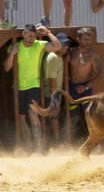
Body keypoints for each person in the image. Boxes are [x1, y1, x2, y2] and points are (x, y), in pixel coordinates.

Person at [3, 24, 61, 152]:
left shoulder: (38, 44)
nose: (31, 38)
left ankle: (39, 147)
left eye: (34, 36)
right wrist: (12, 53)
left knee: (33, 114)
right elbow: (7, 68)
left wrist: (48, 33)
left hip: (34, 86)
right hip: (19, 87)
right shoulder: (16, 46)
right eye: (29, 35)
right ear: (23, 34)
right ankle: (30, 147)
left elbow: (57, 46)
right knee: (21, 118)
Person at [69, 27, 101, 141]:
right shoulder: (71, 52)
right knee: (73, 117)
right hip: (72, 88)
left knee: (88, 117)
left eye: (89, 39)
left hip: (86, 90)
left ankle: (94, 142)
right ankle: (71, 144)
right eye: (85, 39)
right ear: (78, 39)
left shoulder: (93, 56)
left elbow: (99, 76)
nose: (88, 42)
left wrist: (86, 86)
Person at [43, 32, 70, 143]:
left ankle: (51, 144)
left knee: (53, 119)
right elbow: (52, 81)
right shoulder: (53, 57)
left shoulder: (59, 57)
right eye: (62, 43)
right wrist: (55, 101)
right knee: (54, 119)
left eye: (67, 43)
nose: (65, 46)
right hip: (50, 95)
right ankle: (57, 143)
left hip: (55, 94)